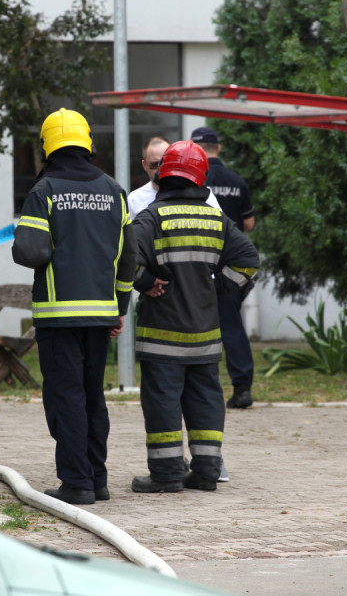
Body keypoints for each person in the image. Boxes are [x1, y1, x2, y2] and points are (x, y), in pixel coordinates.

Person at [12, 107, 136, 506]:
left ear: (48, 144)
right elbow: (128, 256)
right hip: (101, 314)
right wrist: (119, 306)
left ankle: (76, 482)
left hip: (57, 315)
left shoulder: (44, 190)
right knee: (92, 395)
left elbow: (30, 251)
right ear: (87, 143)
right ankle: (97, 479)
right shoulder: (114, 190)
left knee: (66, 398)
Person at [131, 140, 259, 493]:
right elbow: (249, 261)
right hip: (205, 336)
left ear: (164, 175)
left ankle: (167, 474)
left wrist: (144, 282)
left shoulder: (151, 218)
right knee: (206, 401)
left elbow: (124, 261)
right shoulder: (217, 219)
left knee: (162, 404)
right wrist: (215, 288)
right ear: (200, 177)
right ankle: (205, 472)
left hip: (161, 337)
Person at [192, 126, 258, 410]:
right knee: (231, 327)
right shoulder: (236, 181)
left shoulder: (195, 181)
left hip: (198, 264)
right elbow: (249, 224)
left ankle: (198, 390)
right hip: (230, 267)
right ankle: (242, 386)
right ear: (218, 148)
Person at [128, 136, 222, 219]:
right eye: (155, 164)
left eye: (166, 162)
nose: (161, 168)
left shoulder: (204, 194)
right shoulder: (134, 199)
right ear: (144, 165)